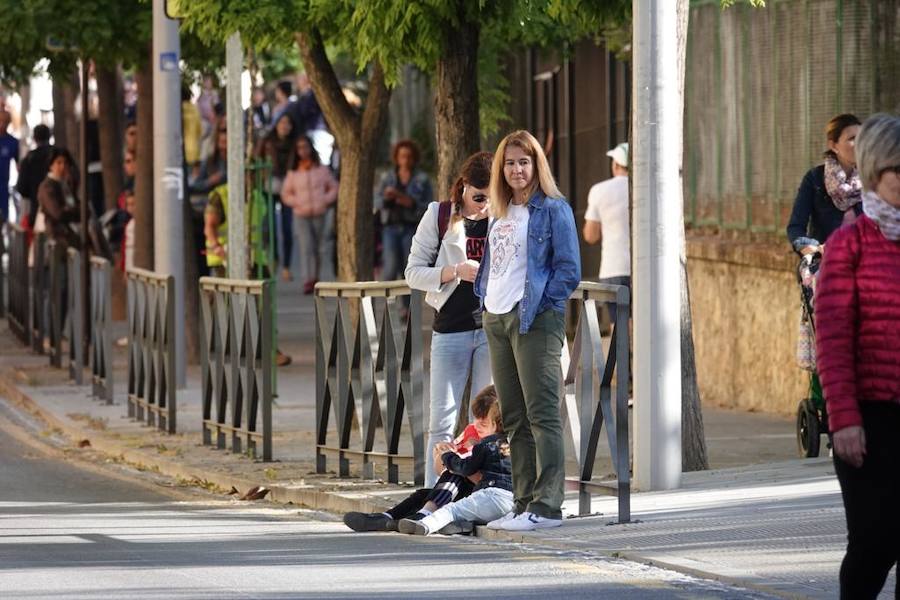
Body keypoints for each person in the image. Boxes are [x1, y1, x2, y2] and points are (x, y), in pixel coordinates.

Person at [475, 129, 580, 532]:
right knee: (514, 417)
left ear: (536, 165)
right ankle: (522, 503)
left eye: (524, 162)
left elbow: (568, 269)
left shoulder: (553, 208)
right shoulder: (500, 211)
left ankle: (548, 506)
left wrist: (540, 307)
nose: (517, 169)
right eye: (510, 162)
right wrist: (486, 301)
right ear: (500, 168)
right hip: (496, 317)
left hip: (533, 319)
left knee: (542, 414)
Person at [814, 113, 900, 600]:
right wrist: (843, 419)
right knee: (875, 539)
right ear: (873, 174)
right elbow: (833, 338)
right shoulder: (850, 245)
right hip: (868, 418)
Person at [405, 151, 493, 486]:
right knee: (441, 421)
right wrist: (454, 271)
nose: (484, 205)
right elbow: (413, 273)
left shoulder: (504, 217)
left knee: (485, 421)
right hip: (450, 329)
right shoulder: (440, 215)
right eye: (478, 197)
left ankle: (479, 493)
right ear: (464, 187)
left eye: (491, 196)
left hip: (491, 328)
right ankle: (432, 495)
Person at [342, 385, 499, 533]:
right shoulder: (471, 431)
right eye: (476, 418)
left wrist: (456, 465)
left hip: (485, 495)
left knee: (455, 473)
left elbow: (488, 480)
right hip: (463, 489)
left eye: (484, 421)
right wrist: (441, 454)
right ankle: (388, 517)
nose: (478, 424)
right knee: (425, 494)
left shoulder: (499, 444)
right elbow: (440, 470)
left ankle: (423, 515)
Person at [398, 397, 513, 536]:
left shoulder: (486, 445)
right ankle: (458, 527)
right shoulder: (522, 446)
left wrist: (447, 456)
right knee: (468, 513)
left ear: (493, 424)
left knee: (451, 510)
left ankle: (425, 524)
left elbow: (466, 468)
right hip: (514, 502)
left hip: (491, 495)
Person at [787, 114, 863, 255]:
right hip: (827, 261)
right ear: (833, 145)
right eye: (852, 139)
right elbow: (796, 227)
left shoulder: (872, 178)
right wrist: (809, 248)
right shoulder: (814, 179)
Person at [281, 134, 338, 294]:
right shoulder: (293, 173)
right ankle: (307, 278)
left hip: (319, 213)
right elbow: (286, 194)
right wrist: (297, 202)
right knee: (306, 246)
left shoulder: (321, 169)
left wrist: (324, 200)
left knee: (317, 247)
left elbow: (334, 186)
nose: (303, 151)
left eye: (305, 147)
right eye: (299, 148)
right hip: (301, 214)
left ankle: (315, 276)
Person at [583, 142, 630, 323]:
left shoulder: (599, 190)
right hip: (642, 269)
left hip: (614, 267)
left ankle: (624, 352)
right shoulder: (645, 189)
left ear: (616, 165)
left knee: (618, 324)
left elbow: (591, 236)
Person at [377, 139, 433, 281]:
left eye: (409, 156)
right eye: (402, 156)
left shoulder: (422, 179)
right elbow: (377, 200)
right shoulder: (387, 177)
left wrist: (410, 202)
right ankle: (387, 302)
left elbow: (429, 206)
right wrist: (387, 198)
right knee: (390, 267)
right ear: (396, 158)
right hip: (390, 226)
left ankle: (407, 303)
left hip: (411, 227)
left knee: (408, 268)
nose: (406, 160)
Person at [256, 114, 298, 282]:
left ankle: (286, 266)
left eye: (288, 123)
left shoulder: (295, 143)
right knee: (270, 226)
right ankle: (273, 259)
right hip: (269, 186)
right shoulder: (267, 140)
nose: (285, 126)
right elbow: (256, 157)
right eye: (282, 123)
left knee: (287, 228)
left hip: (287, 187)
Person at [36, 147, 80, 250]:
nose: (62, 166)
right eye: (58, 163)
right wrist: (75, 212)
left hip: (70, 232)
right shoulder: (47, 186)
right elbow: (58, 213)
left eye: (65, 163)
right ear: (51, 165)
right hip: (55, 236)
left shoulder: (66, 184)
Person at [15, 123, 53, 227]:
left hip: (36, 210)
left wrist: (33, 193)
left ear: (34, 138)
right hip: (58, 209)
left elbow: (21, 188)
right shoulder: (57, 155)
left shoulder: (28, 159)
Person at [0, 110, 20, 225]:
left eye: (5, 122)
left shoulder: (12, 142)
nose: (2, 124)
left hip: (3, 186)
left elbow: (19, 165)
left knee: (3, 219)